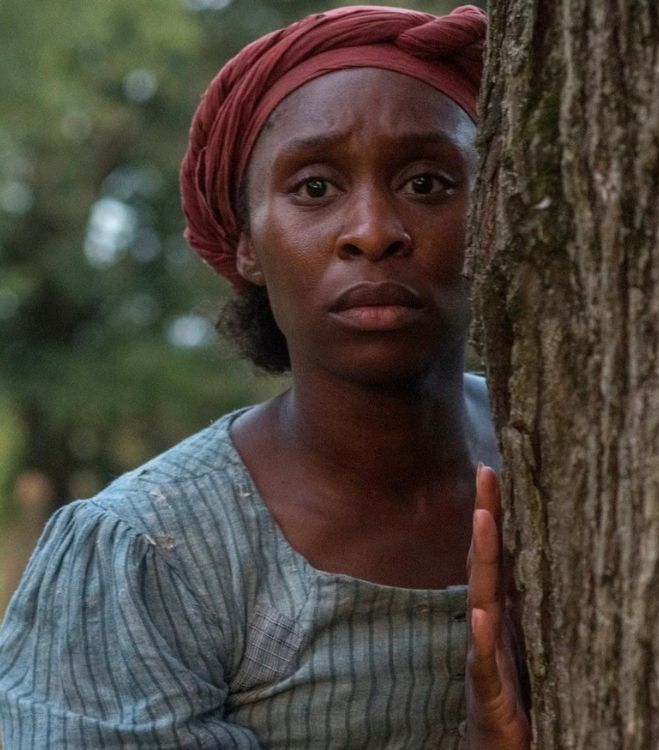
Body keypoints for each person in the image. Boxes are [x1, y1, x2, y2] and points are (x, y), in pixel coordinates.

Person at [0, 6, 529, 747]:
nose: (374, 231)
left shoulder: (560, 461)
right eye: (314, 189)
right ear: (246, 242)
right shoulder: (151, 557)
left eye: (429, 182)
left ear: (494, 211)